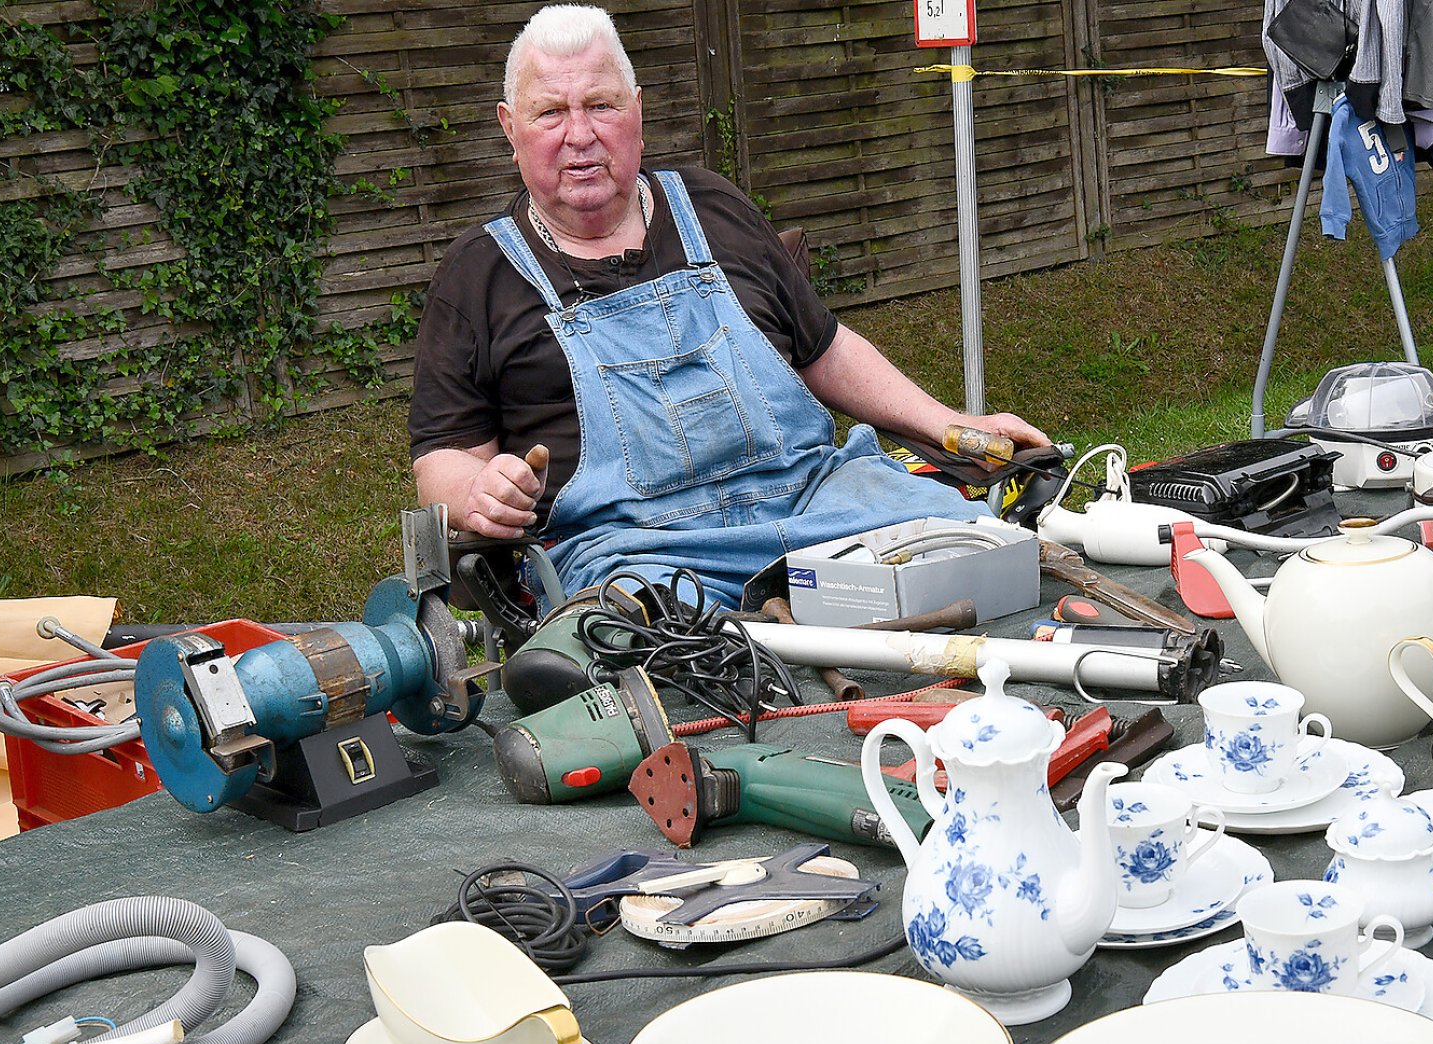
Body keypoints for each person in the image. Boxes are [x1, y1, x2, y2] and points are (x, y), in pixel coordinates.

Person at [410, 3, 1049, 608]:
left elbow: (825, 351)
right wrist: (475, 491)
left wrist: (954, 427)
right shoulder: (477, 278)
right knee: (635, 638)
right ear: (509, 127)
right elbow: (443, 455)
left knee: (974, 544)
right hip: (638, 551)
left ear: (637, 111)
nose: (581, 135)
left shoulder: (712, 208)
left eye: (601, 105)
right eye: (551, 112)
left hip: (814, 504)